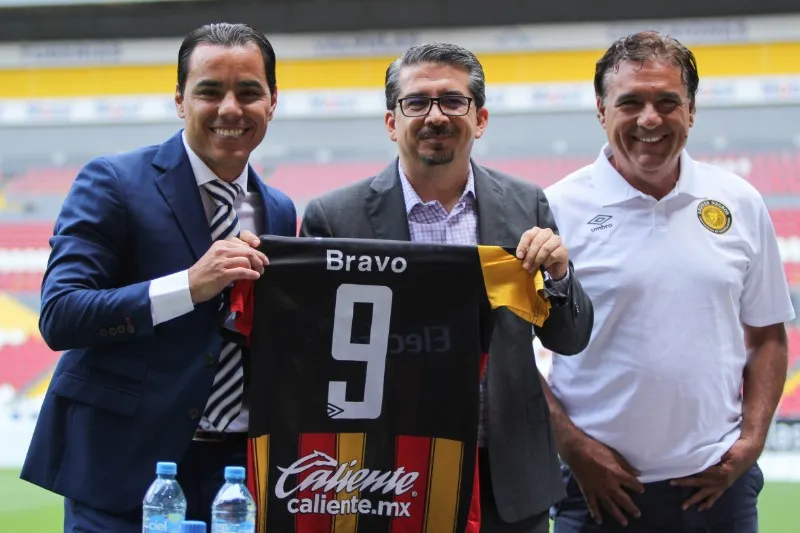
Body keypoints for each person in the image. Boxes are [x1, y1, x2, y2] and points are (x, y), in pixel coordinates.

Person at [300, 42, 594, 533]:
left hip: (504, 478)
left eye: (452, 101)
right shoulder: (334, 217)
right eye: (417, 102)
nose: (435, 115)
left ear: (479, 119)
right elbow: (311, 350)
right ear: (392, 121)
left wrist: (560, 276)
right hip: (385, 473)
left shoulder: (526, 205)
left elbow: (570, 339)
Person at [20, 22, 296, 532]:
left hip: (236, 478)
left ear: (272, 102)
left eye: (249, 92)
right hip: (125, 471)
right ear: (179, 99)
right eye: (209, 91)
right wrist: (189, 285)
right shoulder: (113, 181)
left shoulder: (277, 209)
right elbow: (61, 316)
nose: (230, 109)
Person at [543, 31, 796, 533]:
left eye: (667, 102)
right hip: (595, 492)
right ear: (601, 110)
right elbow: (508, 352)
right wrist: (571, 446)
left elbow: (767, 334)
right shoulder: (553, 208)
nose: (650, 119)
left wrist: (749, 444)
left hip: (716, 490)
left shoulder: (739, 202)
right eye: (630, 101)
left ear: (692, 110)